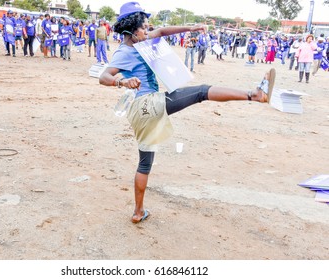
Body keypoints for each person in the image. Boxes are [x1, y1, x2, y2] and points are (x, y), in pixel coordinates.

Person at [99, 2, 276, 224]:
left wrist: (191, 28)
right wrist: (122, 81)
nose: (148, 30)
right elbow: (103, 76)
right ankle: (255, 95)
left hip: (140, 112)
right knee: (201, 91)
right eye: (144, 27)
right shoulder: (124, 51)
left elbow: (162, 32)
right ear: (132, 30)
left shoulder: (140, 41)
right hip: (146, 104)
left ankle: (138, 212)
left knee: (145, 163)